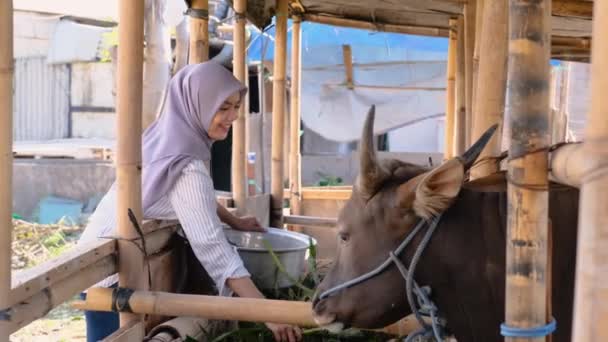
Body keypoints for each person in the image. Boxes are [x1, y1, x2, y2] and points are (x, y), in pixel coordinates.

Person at [77, 62, 303, 342]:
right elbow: (211, 246)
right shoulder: (188, 164)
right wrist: (267, 311)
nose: (232, 116)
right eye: (222, 107)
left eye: (236, 106)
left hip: (98, 264)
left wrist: (234, 220)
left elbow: (194, 198)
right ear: (197, 104)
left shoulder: (168, 138)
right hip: (109, 274)